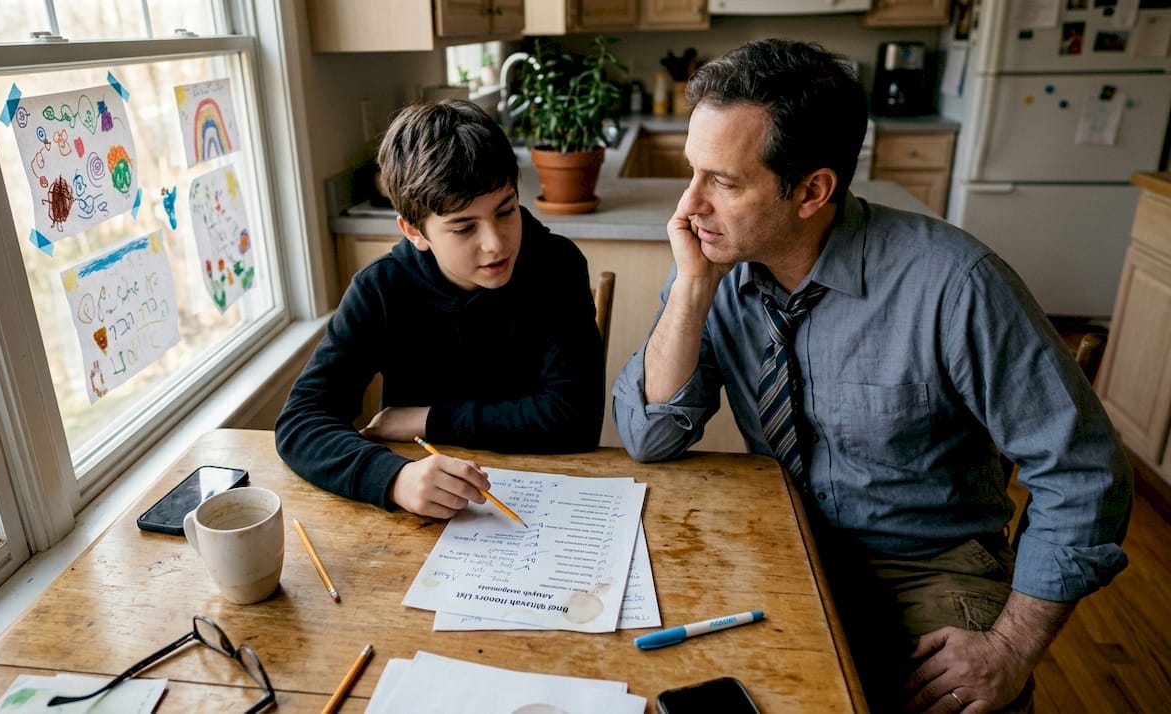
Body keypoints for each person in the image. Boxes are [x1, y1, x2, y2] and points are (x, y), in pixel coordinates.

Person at [612, 39, 1131, 713]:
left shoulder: (954, 285)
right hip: (779, 540)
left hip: (929, 564)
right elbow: (649, 438)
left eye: (724, 182)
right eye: (693, 172)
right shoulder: (719, 266)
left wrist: (1011, 647)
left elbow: (1083, 473)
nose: (690, 206)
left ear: (812, 191)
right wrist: (689, 290)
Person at [277, 99, 604, 520]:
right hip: (425, 511)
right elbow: (301, 420)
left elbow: (575, 418)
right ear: (414, 231)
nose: (496, 243)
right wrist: (394, 478)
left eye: (506, 211)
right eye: (464, 227)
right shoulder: (382, 287)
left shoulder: (555, 265)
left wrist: (428, 420)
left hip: (548, 495)